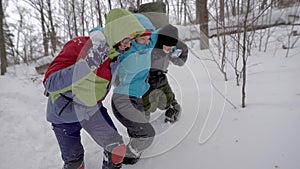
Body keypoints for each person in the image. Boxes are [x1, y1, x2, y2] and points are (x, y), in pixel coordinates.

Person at [43, 8, 145, 169]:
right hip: (64, 113)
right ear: (116, 32)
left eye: (132, 40)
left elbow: (146, 48)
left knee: (116, 150)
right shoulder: (79, 45)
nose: (128, 44)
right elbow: (50, 82)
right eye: (126, 38)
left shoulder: (115, 56)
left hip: (92, 109)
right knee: (74, 162)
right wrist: (87, 65)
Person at [111, 13, 156, 165]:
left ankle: (130, 159)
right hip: (122, 100)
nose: (145, 41)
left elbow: (162, 34)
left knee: (138, 131)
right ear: (133, 38)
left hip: (137, 98)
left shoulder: (148, 47)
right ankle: (127, 154)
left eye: (148, 38)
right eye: (142, 38)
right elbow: (108, 36)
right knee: (147, 134)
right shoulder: (126, 52)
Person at [142, 24, 188, 123]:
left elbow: (180, 57)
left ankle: (172, 116)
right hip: (145, 80)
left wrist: (181, 54)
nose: (171, 49)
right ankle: (142, 126)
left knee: (170, 101)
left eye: (172, 46)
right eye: (168, 46)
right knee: (144, 105)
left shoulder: (170, 44)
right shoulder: (148, 43)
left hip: (161, 77)